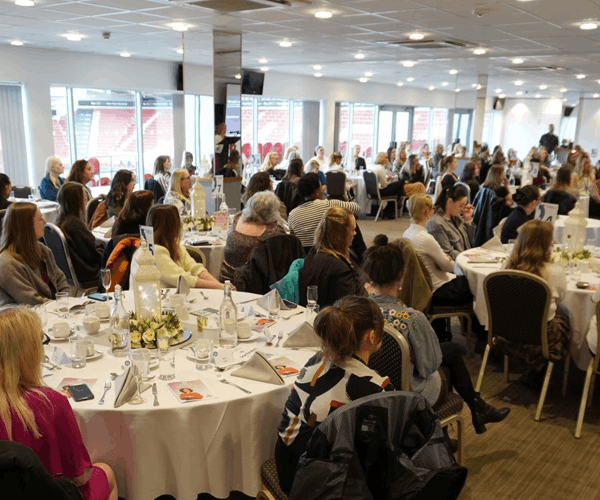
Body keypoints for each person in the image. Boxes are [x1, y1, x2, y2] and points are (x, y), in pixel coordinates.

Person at [365, 234, 510, 434]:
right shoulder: (411, 319)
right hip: (407, 393)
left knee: (451, 350)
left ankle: (471, 415)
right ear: (403, 274)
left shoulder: (359, 309)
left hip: (371, 385)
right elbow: (428, 366)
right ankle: (451, 428)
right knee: (448, 367)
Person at [275, 296, 394, 493]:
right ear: (372, 336)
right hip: (327, 489)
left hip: (287, 472)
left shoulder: (315, 361)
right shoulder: (378, 390)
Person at [0, 308, 118, 500]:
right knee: (106, 471)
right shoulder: (50, 403)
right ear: (29, 352)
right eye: (41, 341)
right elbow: (81, 477)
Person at [502, 220, 571, 389]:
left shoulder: (505, 269)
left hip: (507, 334)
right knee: (566, 317)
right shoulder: (554, 272)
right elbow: (561, 298)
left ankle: (534, 371)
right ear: (547, 245)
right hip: (542, 339)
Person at [404, 195, 477, 341]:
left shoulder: (407, 233)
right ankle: (478, 333)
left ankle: (467, 329)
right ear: (427, 212)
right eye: (432, 208)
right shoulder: (426, 238)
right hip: (437, 288)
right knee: (476, 285)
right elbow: (449, 266)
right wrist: (445, 259)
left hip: (424, 286)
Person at [0, 203, 70, 306]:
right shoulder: (7, 264)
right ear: (27, 226)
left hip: (52, 308)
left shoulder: (43, 250)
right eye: (40, 219)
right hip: (26, 314)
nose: (45, 222)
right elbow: (32, 301)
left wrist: (65, 301)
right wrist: (59, 305)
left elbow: (61, 280)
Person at [298, 206, 365, 306]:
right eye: (353, 230)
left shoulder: (311, 256)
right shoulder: (340, 268)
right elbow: (351, 306)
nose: (355, 233)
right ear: (342, 234)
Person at [147, 205, 223, 289]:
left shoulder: (175, 245)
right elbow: (184, 279)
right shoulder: (154, 251)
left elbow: (194, 268)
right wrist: (220, 287)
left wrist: (220, 286)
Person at [220, 191, 286, 281]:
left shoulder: (237, 218)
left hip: (225, 277)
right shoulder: (272, 231)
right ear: (271, 212)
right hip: (249, 282)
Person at [288, 173, 361, 251]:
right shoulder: (329, 204)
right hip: (329, 251)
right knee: (349, 220)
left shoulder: (292, 214)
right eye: (321, 186)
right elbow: (357, 208)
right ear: (317, 191)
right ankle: (362, 255)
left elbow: (293, 239)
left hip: (306, 255)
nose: (322, 188)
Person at [56, 182, 104, 285]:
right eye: (84, 197)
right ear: (76, 201)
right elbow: (95, 255)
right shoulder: (75, 225)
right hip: (87, 273)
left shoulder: (59, 221)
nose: (85, 200)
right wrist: (105, 247)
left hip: (71, 273)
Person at [426, 184, 475, 259]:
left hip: (465, 258)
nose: (462, 209)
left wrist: (467, 220)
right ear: (450, 201)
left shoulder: (455, 216)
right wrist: (469, 258)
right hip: (458, 262)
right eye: (461, 206)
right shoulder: (436, 223)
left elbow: (470, 242)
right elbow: (448, 254)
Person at [371, 152, 424, 219]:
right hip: (381, 191)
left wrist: (387, 180)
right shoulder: (381, 168)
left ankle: (390, 211)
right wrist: (388, 181)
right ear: (381, 159)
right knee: (400, 184)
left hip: (374, 191)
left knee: (399, 190)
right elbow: (384, 184)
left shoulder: (374, 167)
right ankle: (389, 211)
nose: (387, 159)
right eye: (386, 158)